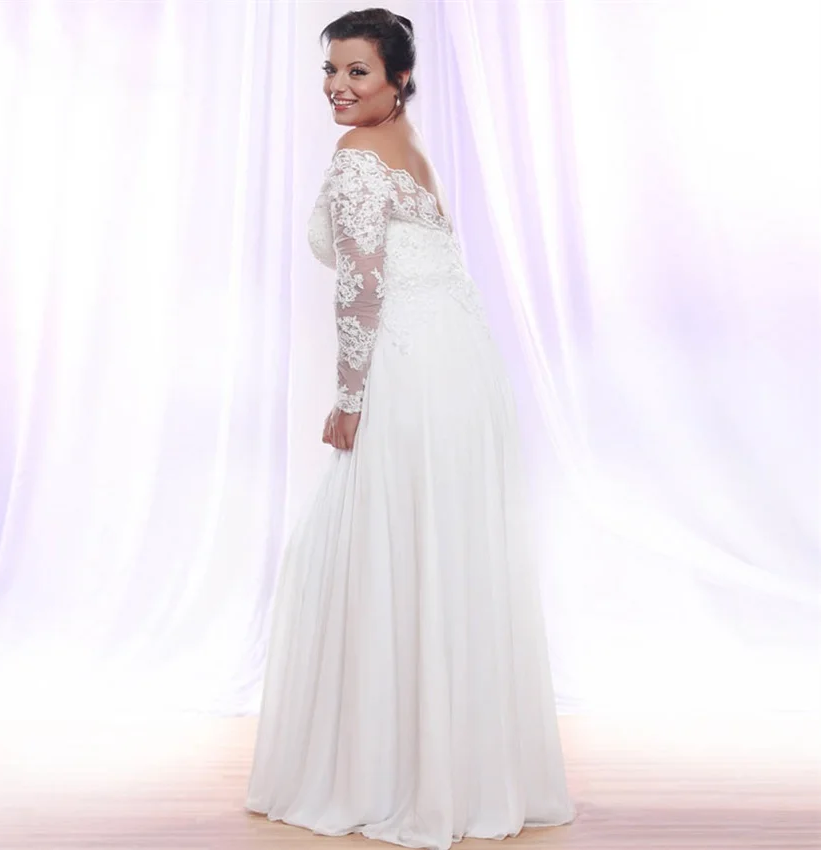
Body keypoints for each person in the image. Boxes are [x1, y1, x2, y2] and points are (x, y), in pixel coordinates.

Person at [245, 8, 577, 849]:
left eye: (357, 71)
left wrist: (349, 398)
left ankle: (388, 776)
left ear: (398, 78)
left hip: (409, 371)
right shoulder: (411, 147)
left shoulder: (360, 155)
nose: (337, 86)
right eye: (330, 70)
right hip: (462, 367)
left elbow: (360, 286)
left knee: (383, 550)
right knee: (441, 554)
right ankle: (454, 775)